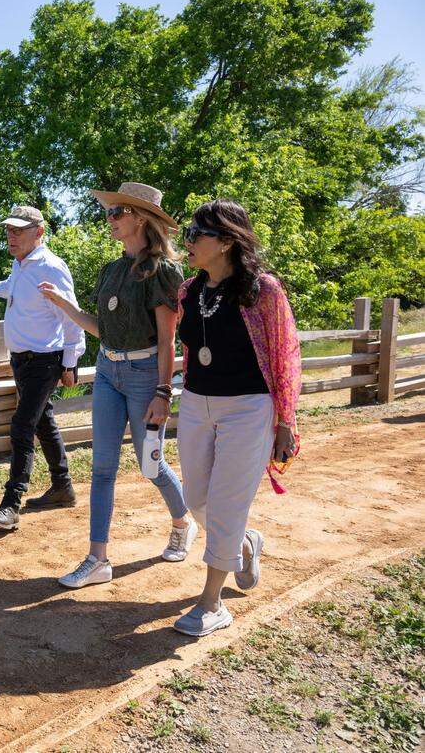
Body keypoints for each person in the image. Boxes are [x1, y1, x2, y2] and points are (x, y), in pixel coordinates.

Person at [38, 182, 194, 588]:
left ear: (140, 217)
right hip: (108, 371)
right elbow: (101, 329)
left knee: (150, 463)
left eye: (116, 212)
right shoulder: (110, 270)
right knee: (102, 467)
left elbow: (167, 340)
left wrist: (164, 391)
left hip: (145, 376)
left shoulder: (163, 271)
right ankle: (98, 558)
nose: (109, 219)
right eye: (109, 212)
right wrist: (64, 305)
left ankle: (182, 522)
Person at [171, 198, 301, 636]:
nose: (187, 240)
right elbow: (189, 352)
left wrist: (285, 420)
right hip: (195, 403)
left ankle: (212, 604)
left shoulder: (262, 290)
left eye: (197, 234)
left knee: (226, 505)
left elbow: (284, 357)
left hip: (249, 408)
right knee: (196, 500)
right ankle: (245, 543)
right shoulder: (189, 291)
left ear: (226, 241)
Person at [0, 205, 86, 531]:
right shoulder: (21, 264)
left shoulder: (51, 268)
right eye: (9, 230)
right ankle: (63, 487)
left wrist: (70, 364)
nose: (11, 236)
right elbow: (14, 287)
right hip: (21, 361)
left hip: (45, 361)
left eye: (18, 230)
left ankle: (11, 504)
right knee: (43, 422)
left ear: (39, 233)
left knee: (22, 425)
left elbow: (72, 318)